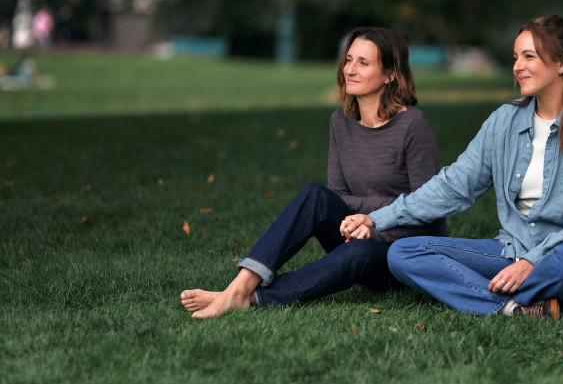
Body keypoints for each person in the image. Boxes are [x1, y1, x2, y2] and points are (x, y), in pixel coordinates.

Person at [341, 15, 563, 320]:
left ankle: (487, 294)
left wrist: (532, 262)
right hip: (509, 253)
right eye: (516, 57)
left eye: (529, 56)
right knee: (403, 253)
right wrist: (376, 219)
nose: (518, 66)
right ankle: (514, 308)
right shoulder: (503, 120)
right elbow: (453, 186)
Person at [181, 27, 446, 319]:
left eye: (363, 63)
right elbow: (338, 196)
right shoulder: (340, 122)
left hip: (400, 256)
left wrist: (370, 222)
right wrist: (358, 221)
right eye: (348, 60)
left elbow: (426, 210)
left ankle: (251, 297)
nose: (350, 70)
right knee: (314, 195)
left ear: (390, 74)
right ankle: (239, 286)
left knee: (357, 252)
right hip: (354, 235)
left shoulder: (413, 127)